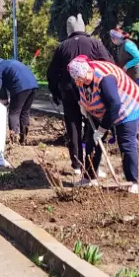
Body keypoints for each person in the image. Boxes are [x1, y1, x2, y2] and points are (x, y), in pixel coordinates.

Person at [47, 13, 114, 175]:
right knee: (94, 126)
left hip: (68, 91)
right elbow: (109, 64)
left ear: (69, 31)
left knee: (73, 125)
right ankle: (93, 164)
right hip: (92, 90)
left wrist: (55, 93)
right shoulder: (94, 43)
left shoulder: (62, 46)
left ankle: (77, 164)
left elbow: (52, 73)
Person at [68, 55, 139, 194]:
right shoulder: (81, 77)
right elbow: (80, 90)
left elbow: (115, 105)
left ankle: (133, 182)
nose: (80, 83)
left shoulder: (105, 79)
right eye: (78, 81)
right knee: (91, 142)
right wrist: (83, 105)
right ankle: (89, 177)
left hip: (126, 106)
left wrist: (102, 130)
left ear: (88, 71)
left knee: (126, 143)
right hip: (101, 110)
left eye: (83, 79)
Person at [0, 58, 39, 145]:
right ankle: (23, 139)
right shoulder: (9, 62)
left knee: (13, 113)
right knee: (25, 112)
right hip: (33, 85)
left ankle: (14, 140)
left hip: (20, 87)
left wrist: (4, 99)